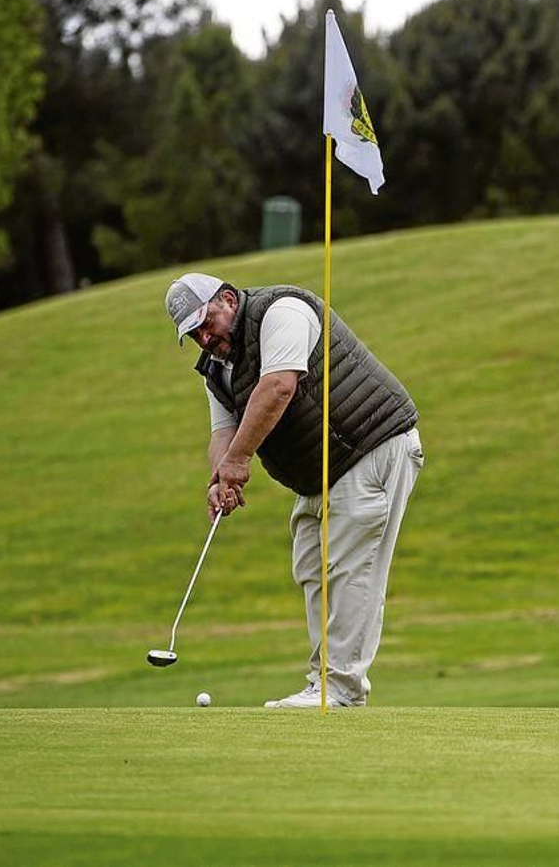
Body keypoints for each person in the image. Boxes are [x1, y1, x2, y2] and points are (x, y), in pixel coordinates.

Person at [164, 272, 423, 708]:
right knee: (311, 567)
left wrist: (239, 461)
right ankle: (325, 684)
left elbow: (278, 386)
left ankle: (339, 688)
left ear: (228, 300)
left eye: (206, 323)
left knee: (348, 567)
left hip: (370, 445)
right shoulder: (217, 368)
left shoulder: (282, 311)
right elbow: (223, 432)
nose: (204, 338)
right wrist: (220, 478)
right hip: (319, 472)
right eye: (193, 334)